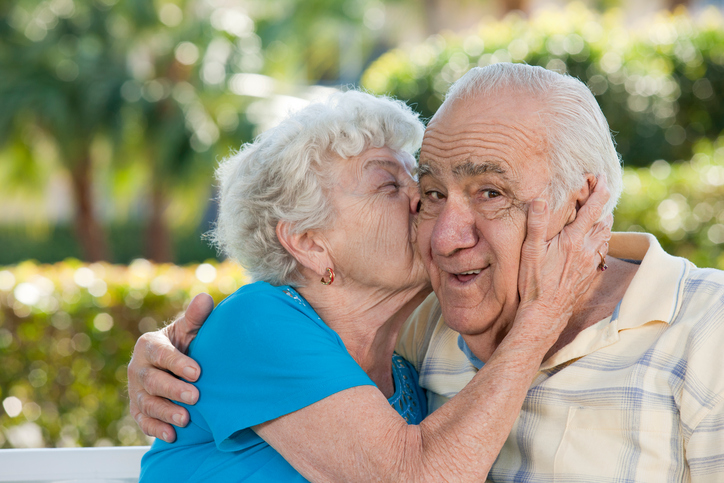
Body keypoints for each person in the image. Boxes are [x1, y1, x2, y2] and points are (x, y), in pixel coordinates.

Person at [136, 88, 611, 482]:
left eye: (420, 181)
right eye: (388, 185)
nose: (422, 199)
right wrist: (541, 318)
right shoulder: (257, 320)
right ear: (309, 243)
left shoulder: (406, 371)